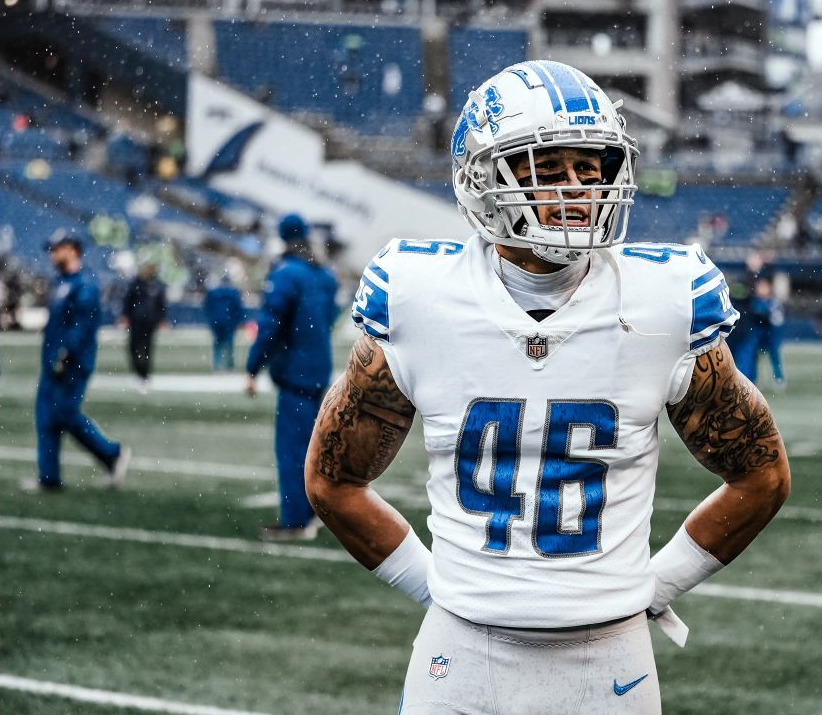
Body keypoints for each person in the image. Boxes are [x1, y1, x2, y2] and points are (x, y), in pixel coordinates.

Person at [305, 61, 791, 714]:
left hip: (608, 658)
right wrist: (439, 590)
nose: (578, 189)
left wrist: (656, 584)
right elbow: (333, 479)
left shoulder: (662, 299)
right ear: (481, 179)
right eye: (547, 168)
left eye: (591, 169)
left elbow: (761, 475)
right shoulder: (419, 297)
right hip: (461, 658)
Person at [245, 213, 340, 541]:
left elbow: (271, 324)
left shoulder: (286, 273)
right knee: (316, 448)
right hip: (318, 368)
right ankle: (317, 509)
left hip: (296, 372)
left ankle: (296, 519)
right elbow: (329, 316)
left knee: (292, 449)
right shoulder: (322, 273)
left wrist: (252, 366)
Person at [29, 230, 131, 492]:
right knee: (45, 417)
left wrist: (66, 354)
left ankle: (111, 453)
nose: (52, 254)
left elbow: (82, 326)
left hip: (72, 363)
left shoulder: (84, 284)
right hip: (52, 362)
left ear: (72, 249)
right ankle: (49, 478)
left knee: (64, 414)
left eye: (56, 248)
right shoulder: (62, 283)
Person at [119, 262, 168, 393]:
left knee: (146, 349)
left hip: (149, 322)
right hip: (136, 321)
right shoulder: (136, 284)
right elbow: (128, 300)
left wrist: (161, 319)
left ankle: (144, 374)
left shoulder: (156, 286)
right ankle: (139, 372)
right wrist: (125, 316)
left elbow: (161, 304)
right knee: (134, 348)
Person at [747, 278, 787, 390]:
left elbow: (778, 319)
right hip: (756, 334)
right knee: (752, 356)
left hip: (770, 334)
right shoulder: (753, 302)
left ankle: (778, 378)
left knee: (774, 356)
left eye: (765, 287)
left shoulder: (773, 302)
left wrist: (765, 316)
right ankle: (752, 379)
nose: (762, 290)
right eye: (760, 287)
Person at [204, 274, 245, 371]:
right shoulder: (234, 293)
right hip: (229, 321)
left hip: (216, 320)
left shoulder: (213, 293)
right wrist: (239, 321)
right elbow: (238, 308)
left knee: (217, 343)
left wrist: (211, 320)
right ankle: (229, 365)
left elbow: (208, 307)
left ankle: (216, 364)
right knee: (229, 343)